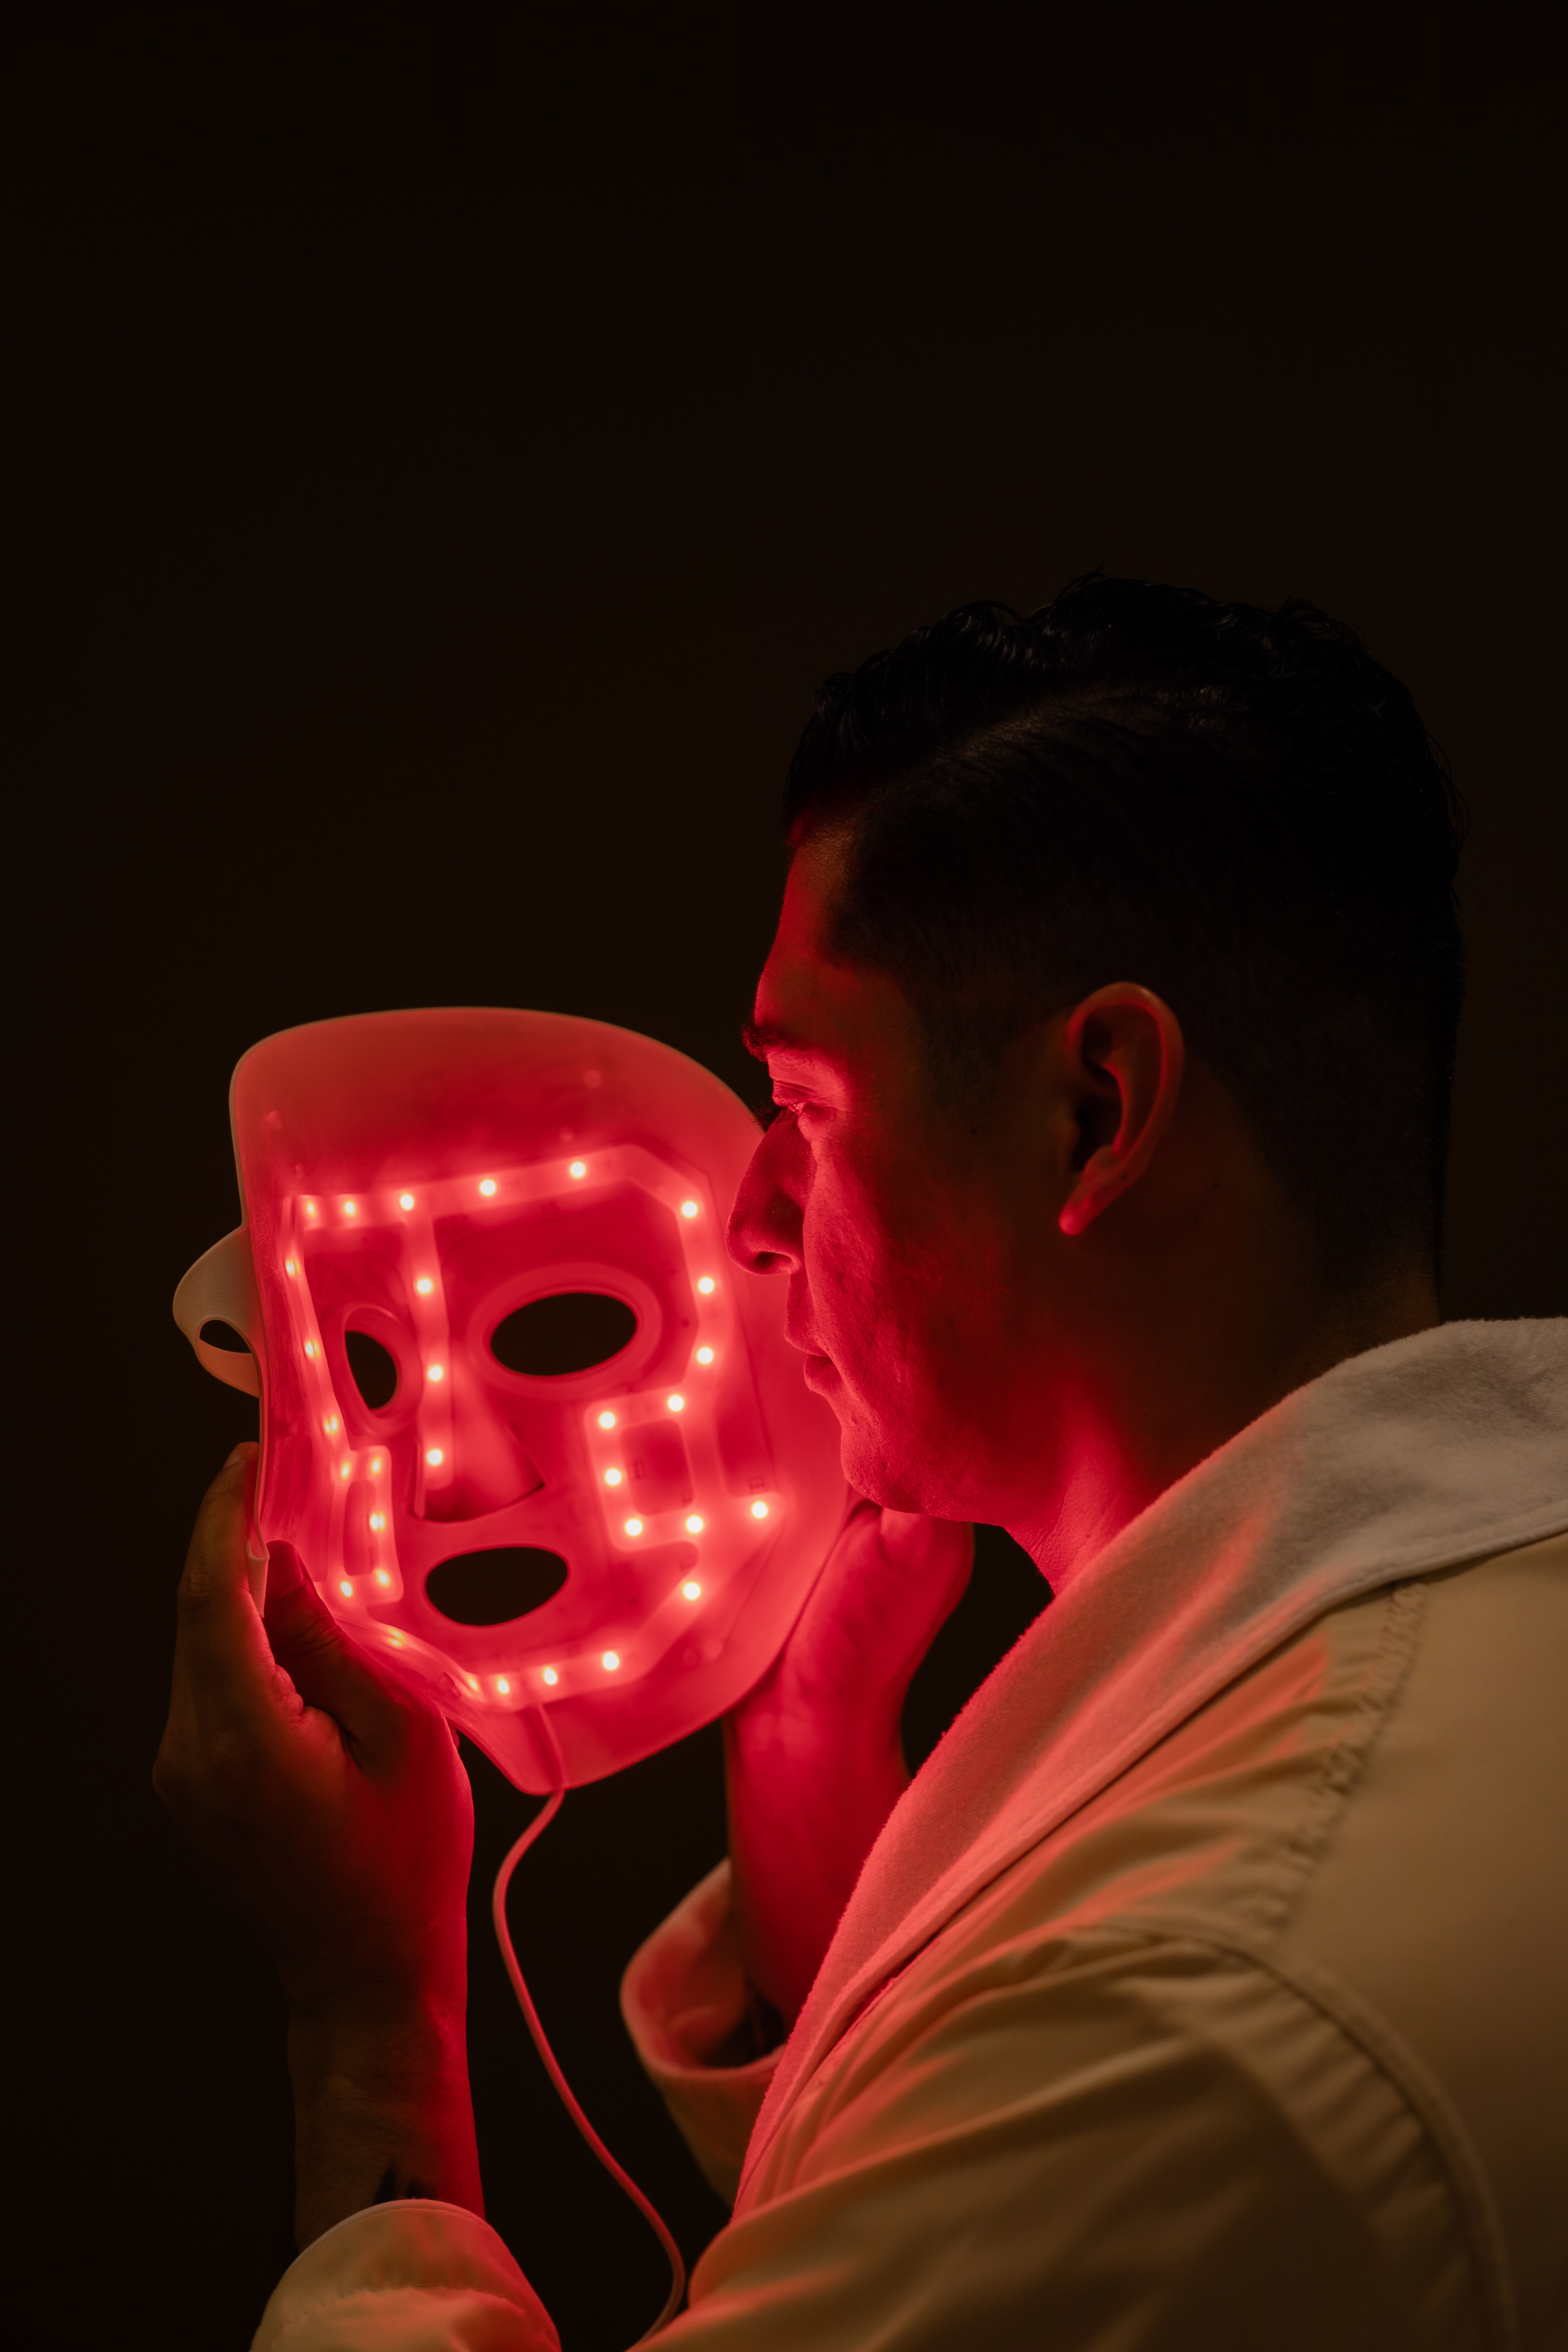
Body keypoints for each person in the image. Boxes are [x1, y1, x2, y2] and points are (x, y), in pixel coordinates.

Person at [156, 578, 1568, 2350]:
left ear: (1097, 1113)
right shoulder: (1498, 1629)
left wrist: (366, 2012)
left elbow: (1042, 2157)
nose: (750, 1214)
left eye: (807, 1106)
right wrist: (820, 1774)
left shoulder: (1196, 2023)